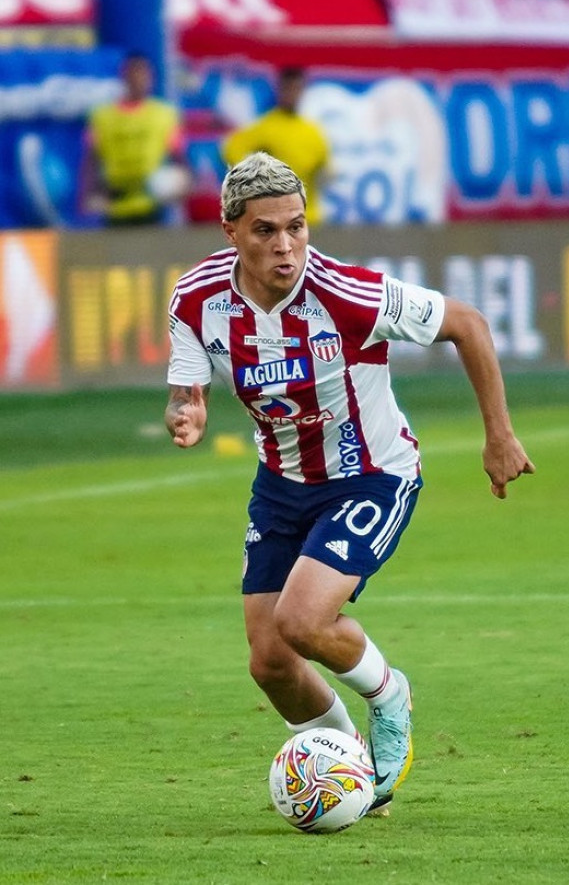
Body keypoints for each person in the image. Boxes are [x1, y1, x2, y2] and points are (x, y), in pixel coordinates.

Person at [165, 152, 534, 812]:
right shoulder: (196, 299)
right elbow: (186, 386)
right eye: (266, 230)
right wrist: (185, 410)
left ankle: (389, 693)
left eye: (297, 227)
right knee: (270, 662)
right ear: (230, 232)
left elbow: (468, 324)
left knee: (303, 620)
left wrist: (499, 435)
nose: (286, 245)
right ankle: (353, 778)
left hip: (371, 476)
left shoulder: (345, 292)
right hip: (280, 483)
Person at [82, 52, 187, 226]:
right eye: (134, 73)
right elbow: (91, 159)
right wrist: (87, 195)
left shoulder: (164, 115)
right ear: (124, 76)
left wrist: (184, 181)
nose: (139, 79)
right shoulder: (102, 116)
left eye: (144, 74)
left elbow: (178, 155)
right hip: (115, 203)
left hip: (152, 203)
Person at [222, 67, 331, 226]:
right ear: (279, 90)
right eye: (288, 89)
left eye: (297, 89)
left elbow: (325, 169)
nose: (292, 94)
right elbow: (231, 149)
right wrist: (254, 175)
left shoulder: (313, 132)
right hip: (275, 216)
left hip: (309, 216)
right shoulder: (266, 127)